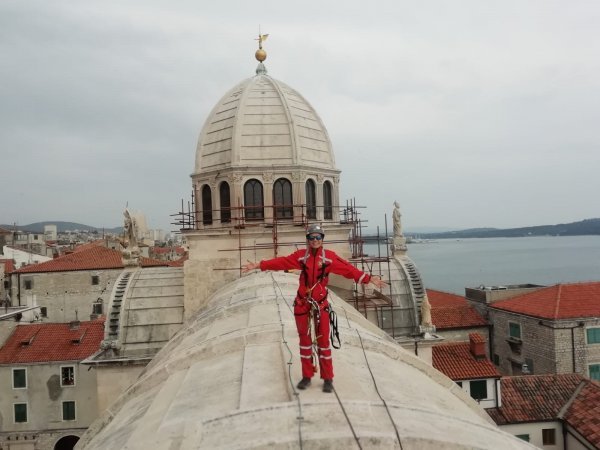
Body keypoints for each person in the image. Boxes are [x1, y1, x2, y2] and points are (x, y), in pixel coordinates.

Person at [242, 224, 386, 393]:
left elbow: (347, 270)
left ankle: (327, 378)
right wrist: (259, 265)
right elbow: (281, 262)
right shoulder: (301, 257)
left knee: (323, 342)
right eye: (312, 238)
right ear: (308, 240)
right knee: (304, 341)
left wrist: (368, 279)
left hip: (320, 305)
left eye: (318, 237)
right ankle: (307, 375)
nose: (315, 240)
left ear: (322, 239)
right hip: (303, 303)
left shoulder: (329, 258)